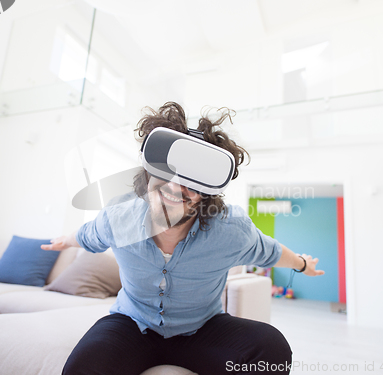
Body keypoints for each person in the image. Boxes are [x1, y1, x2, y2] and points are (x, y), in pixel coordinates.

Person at [42, 102, 325, 375]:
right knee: (84, 364)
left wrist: (302, 264)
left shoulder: (231, 230)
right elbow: (87, 235)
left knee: (271, 349)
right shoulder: (118, 217)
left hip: (201, 330)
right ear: (149, 172)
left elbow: (271, 252)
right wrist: (64, 241)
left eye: (192, 181)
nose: (176, 187)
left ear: (205, 192)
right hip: (132, 324)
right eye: (168, 172)